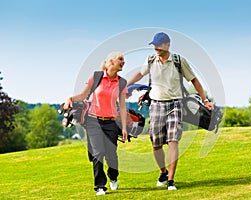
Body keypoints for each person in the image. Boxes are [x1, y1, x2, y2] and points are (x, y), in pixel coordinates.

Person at [127, 32, 214, 190]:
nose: (155, 48)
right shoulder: (150, 60)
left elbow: (193, 79)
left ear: (167, 45)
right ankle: (163, 172)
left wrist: (205, 100)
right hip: (156, 105)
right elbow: (140, 73)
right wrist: (126, 85)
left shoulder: (178, 61)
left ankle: (171, 180)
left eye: (158, 44)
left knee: (173, 140)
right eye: (154, 45)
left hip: (175, 105)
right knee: (156, 144)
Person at [64, 52, 128, 196]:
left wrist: (124, 127)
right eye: (121, 59)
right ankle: (100, 186)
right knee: (98, 152)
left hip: (111, 122)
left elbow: (122, 106)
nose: (124, 62)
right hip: (93, 120)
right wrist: (70, 98)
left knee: (111, 155)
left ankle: (113, 176)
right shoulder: (96, 77)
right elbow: (83, 95)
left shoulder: (122, 82)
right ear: (111, 61)